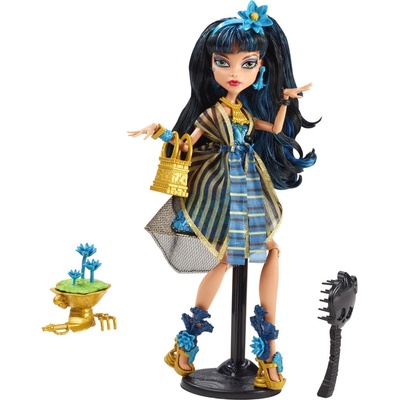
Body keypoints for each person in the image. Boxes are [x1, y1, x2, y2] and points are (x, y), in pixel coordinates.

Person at [129, 1, 319, 391]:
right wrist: (160, 131)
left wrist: (286, 100)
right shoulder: (213, 113)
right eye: (223, 62)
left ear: (260, 67)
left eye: (247, 64)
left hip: (248, 184)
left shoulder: (244, 112)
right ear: (211, 65)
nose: (234, 73)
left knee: (267, 251)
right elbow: (186, 141)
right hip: (221, 187)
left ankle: (262, 351)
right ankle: (194, 344)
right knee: (229, 259)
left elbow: (272, 128)